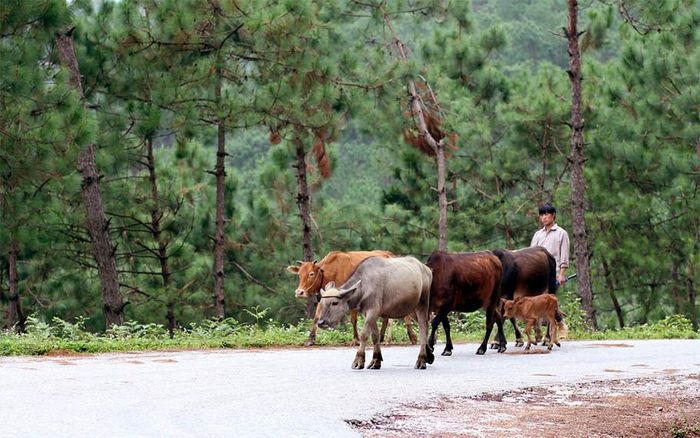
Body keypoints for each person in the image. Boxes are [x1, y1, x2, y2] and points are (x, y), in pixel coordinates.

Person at [531, 202, 570, 287]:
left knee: (549, 299)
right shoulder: (537, 234)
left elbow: (564, 257)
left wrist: (561, 275)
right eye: (541, 215)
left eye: (546, 214)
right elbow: (531, 256)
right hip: (537, 275)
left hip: (553, 275)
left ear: (553, 215)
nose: (544, 217)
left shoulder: (562, 233)